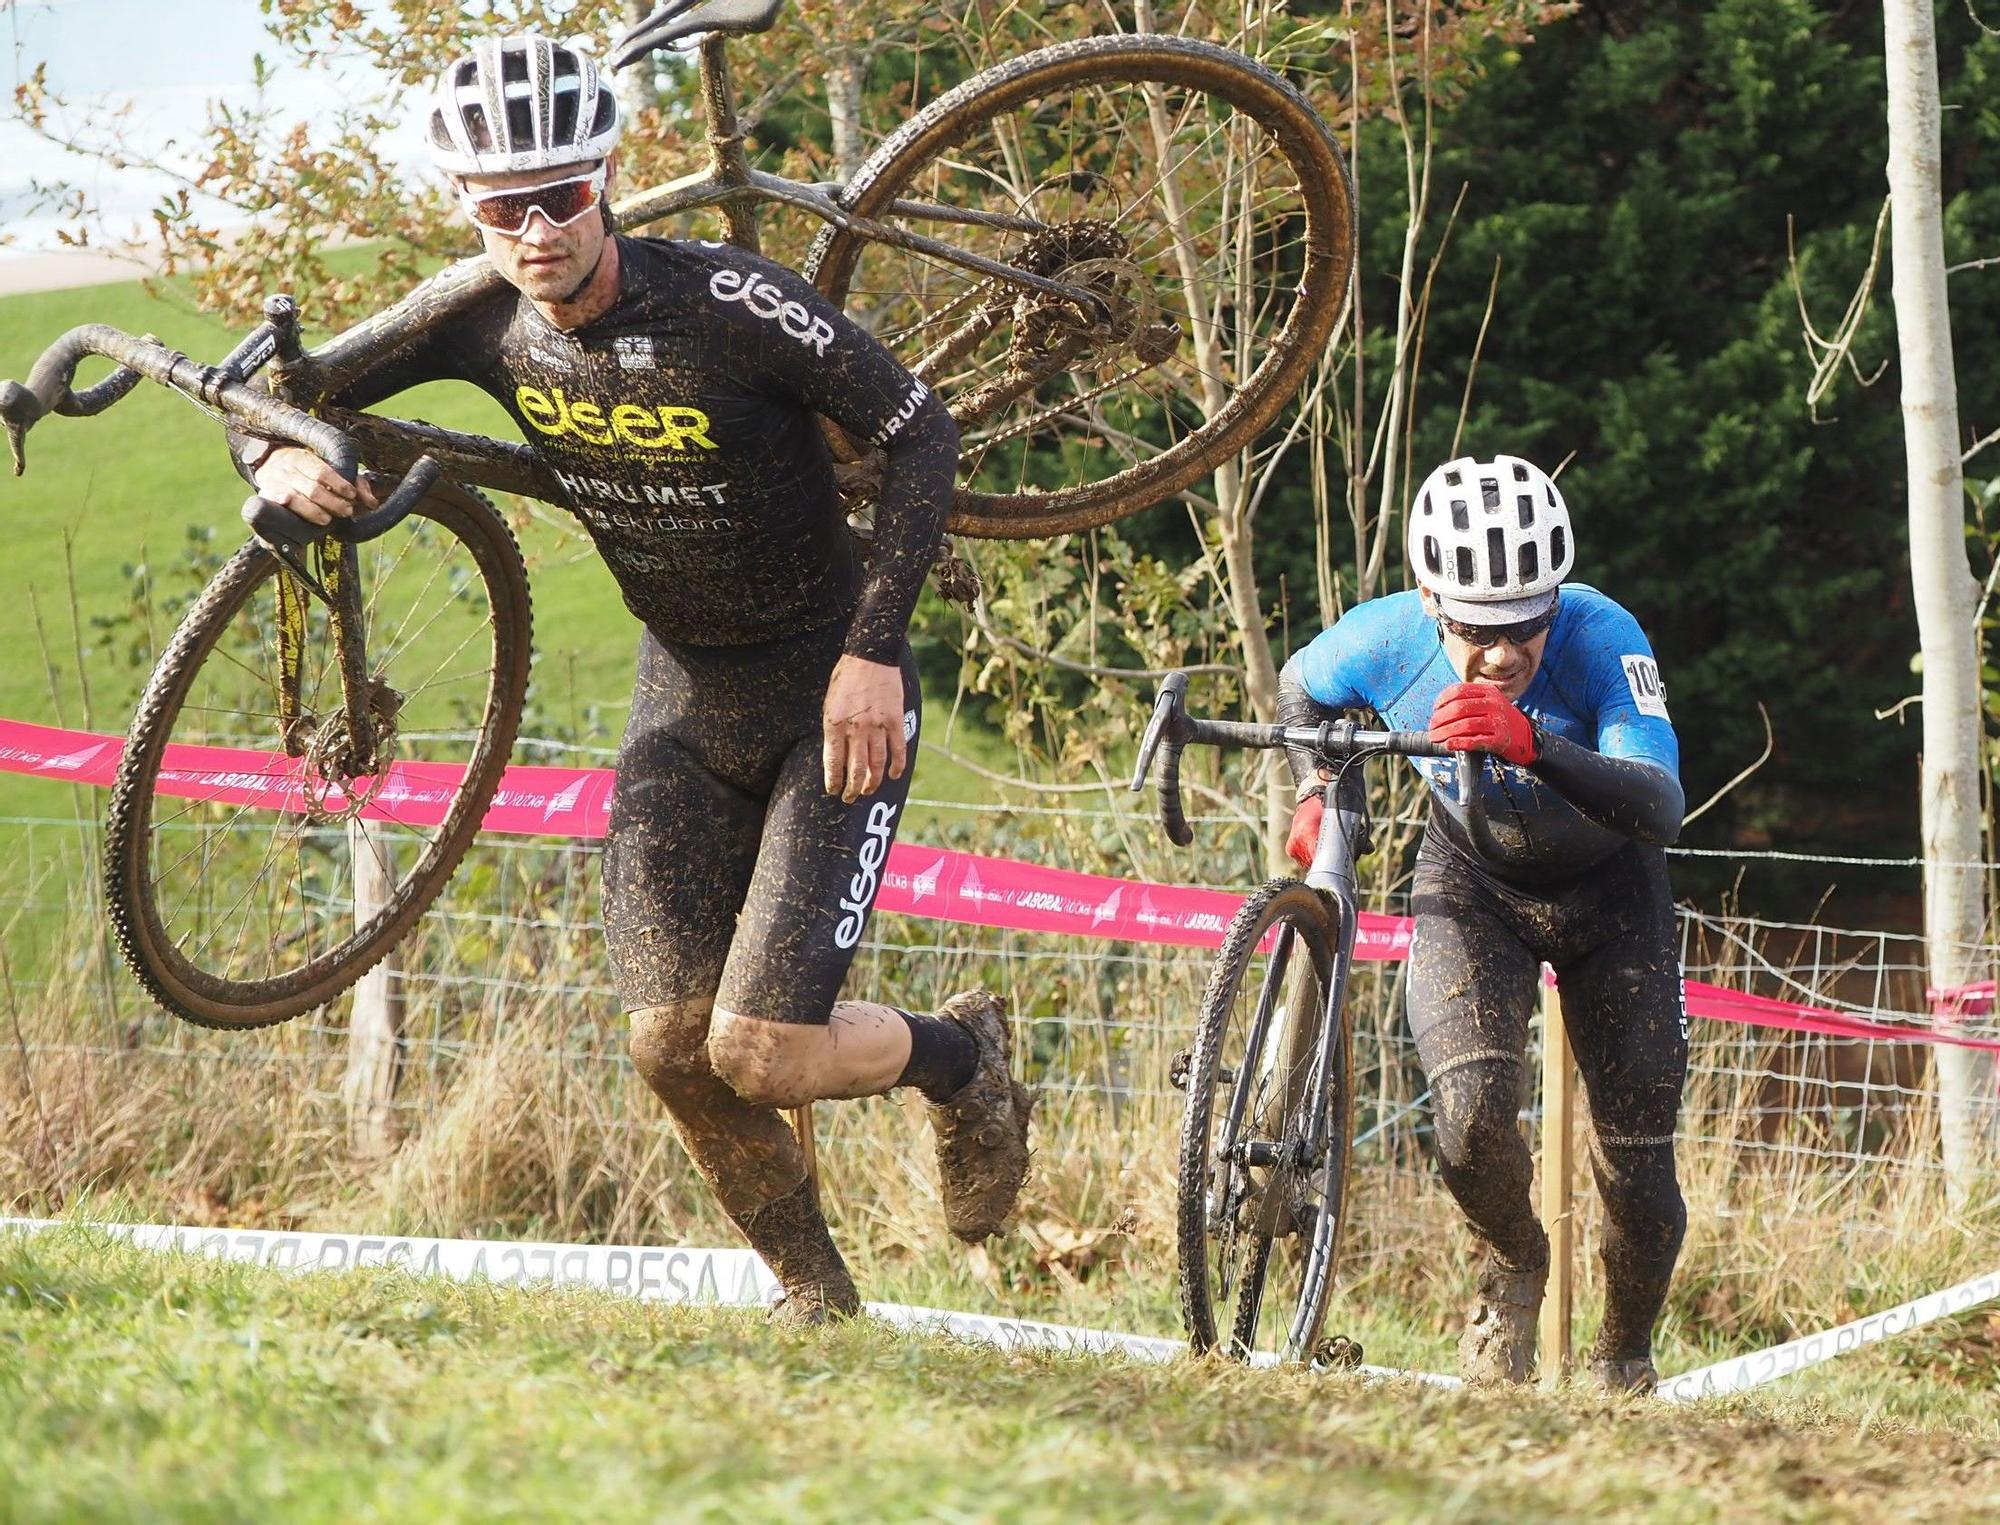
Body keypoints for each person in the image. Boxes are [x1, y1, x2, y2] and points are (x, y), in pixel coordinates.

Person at [233, 34, 1034, 1323]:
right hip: (685, 694)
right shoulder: (474, 314)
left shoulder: (723, 300)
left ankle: (961, 1056)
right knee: (667, 1046)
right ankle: (817, 1303)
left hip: (826, 690)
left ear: (607, 176)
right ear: (465, 207)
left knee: (758, 1052)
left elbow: (915, 425)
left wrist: (874, 653)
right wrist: (273, 460)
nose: (537, 228)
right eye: (503, 206)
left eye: (562, 194)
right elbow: (278, 388)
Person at [1278, 454, 1687, 1392]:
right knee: (1465, 1122)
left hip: (1611, 892)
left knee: (1637, 1168)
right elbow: (1303, 692)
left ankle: (1621, 1364)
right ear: (1428, 600)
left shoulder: (1601, 633)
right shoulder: (1383, 636)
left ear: (1553, 602)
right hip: (1474, 883)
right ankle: (1513, 1264)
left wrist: (1536, 743)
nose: (1503, 654)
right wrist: (1316, 784)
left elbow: (1660, 804)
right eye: (1475, 630)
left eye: (1525, 627)